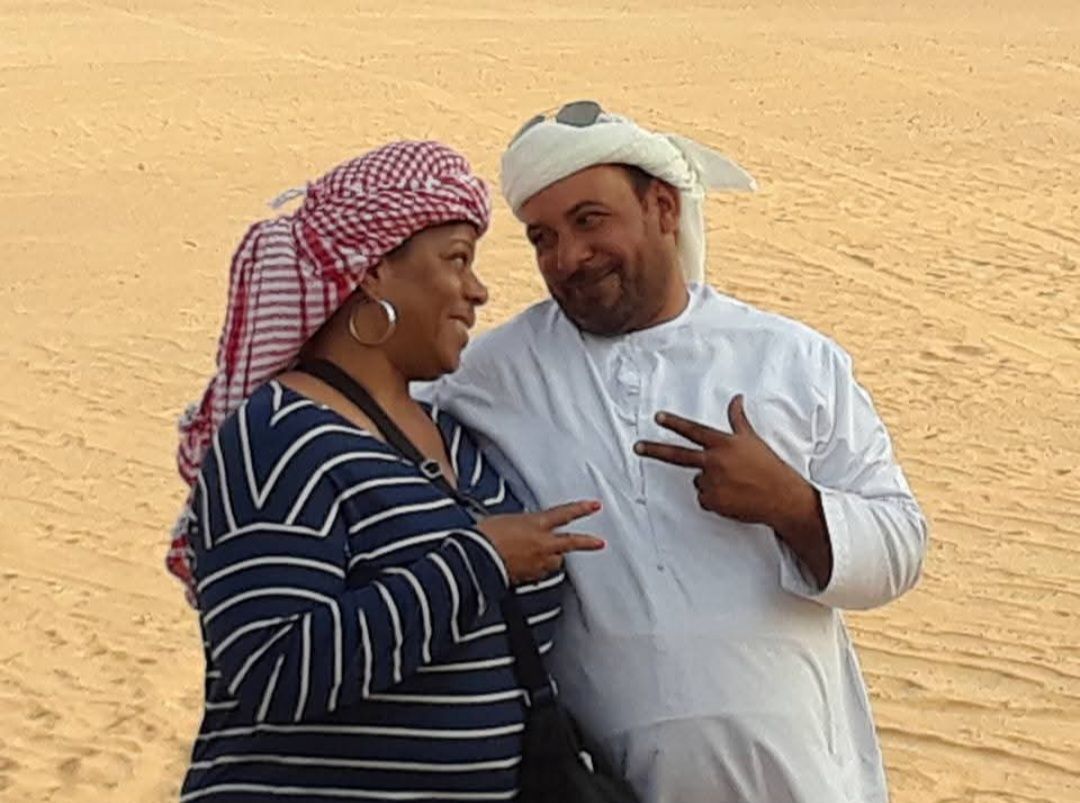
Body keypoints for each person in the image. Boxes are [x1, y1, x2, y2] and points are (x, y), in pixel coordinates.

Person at [425, 101, 930, 803]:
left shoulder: (791, 358)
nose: (567, 258)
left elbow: (902, 543)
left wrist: (793, 504)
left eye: (589, 220)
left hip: (804, 779)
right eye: (542, 236)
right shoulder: (497, 374)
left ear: (663, 207)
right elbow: (354, 406)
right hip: (615, 786)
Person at [166, 140, 605, 802]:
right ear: (370, 271)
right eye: (456, 260)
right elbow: (272, 669)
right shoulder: (278, 438)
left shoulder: (460, 437)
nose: (478, 290)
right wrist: (479, 561)